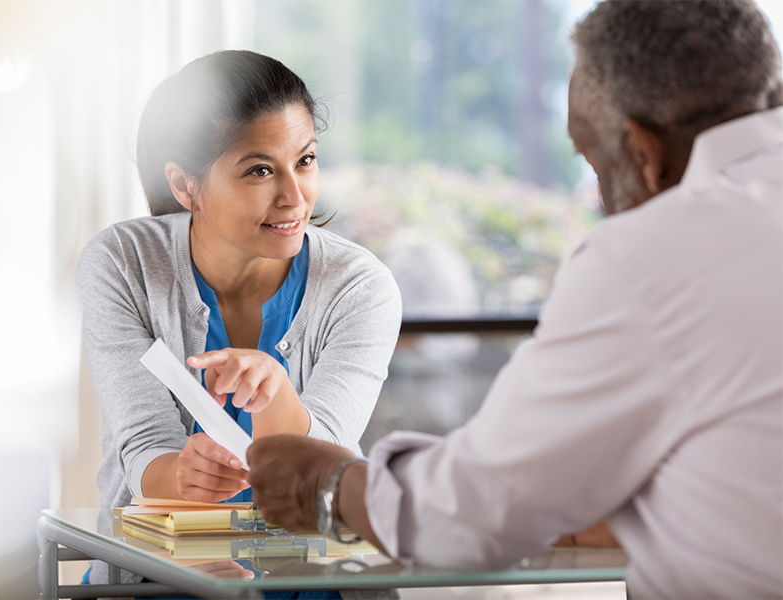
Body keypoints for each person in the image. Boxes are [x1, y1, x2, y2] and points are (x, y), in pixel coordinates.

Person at [246, 1, 783, 598]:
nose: (599, 196)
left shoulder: (655, 255)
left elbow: (475, 514)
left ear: (642, 153)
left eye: (592, 159)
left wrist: (329, 484)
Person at [76, 50, 402, 590]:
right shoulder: (123, 263)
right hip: (157, 578)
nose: (295, 197)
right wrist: (182, 477)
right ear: (185, 186)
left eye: (305, 160)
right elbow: (142, 448)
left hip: (318, 575)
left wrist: (277, 397)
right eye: (259, 170)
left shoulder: (360, 288)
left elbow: (325, 472)